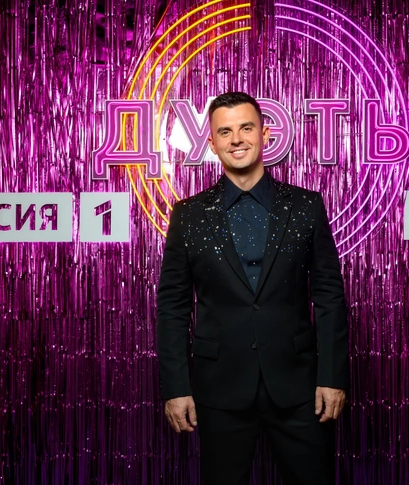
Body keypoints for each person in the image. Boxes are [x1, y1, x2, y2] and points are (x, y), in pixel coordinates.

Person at [157, 91, 349, 485]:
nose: (236, 140)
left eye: (246, 128)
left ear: (265, 134)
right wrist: (176, 387)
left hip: (298, 387)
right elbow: (173, 307)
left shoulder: (306, 206)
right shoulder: (188, 215)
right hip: (219, 388)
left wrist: (332, 376)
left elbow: (329, 297)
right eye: (224, 132)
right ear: (211, 143)